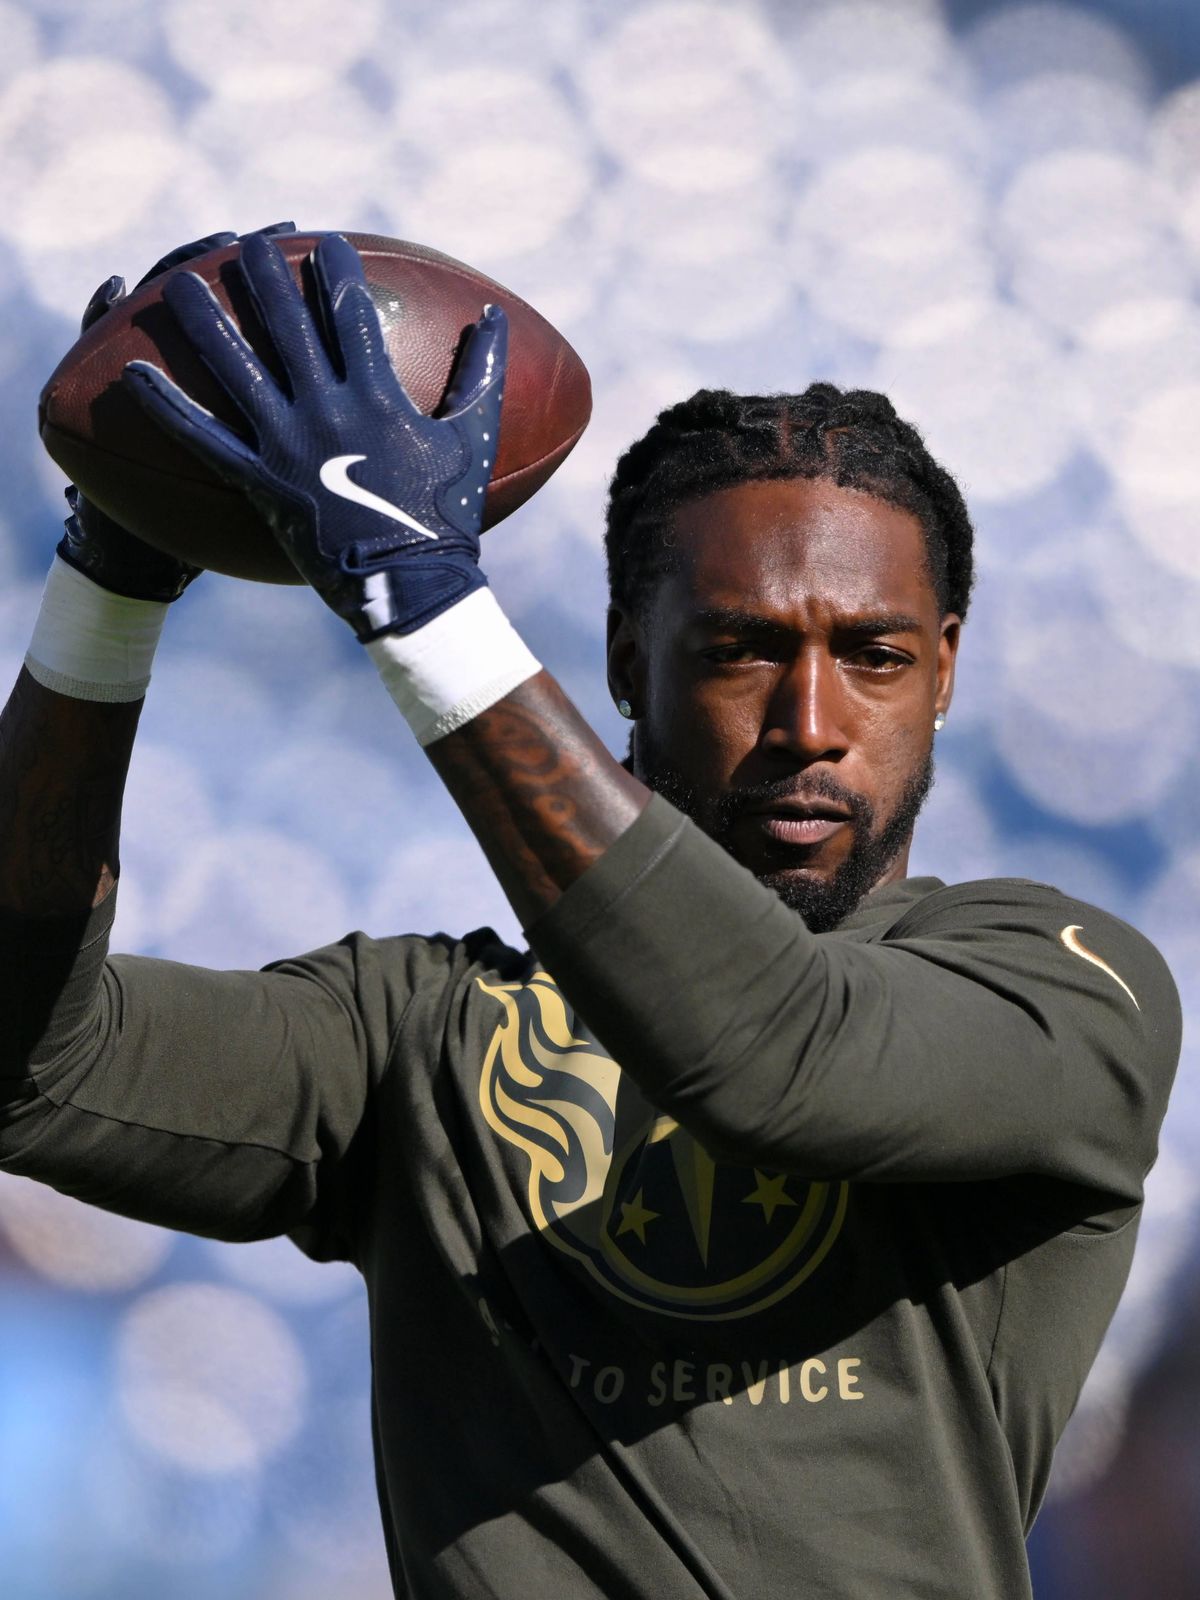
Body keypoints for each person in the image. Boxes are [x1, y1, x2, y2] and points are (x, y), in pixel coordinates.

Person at [0, 231, 1180, 1600]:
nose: (810, 726)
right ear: (627, 659)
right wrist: (109, 585)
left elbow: (774, 1054)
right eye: (737, 650)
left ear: (946, 674)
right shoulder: (424, 1033)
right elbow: (32, 1066)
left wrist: (425, 604)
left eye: (874, 657)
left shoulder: (1067, 992)